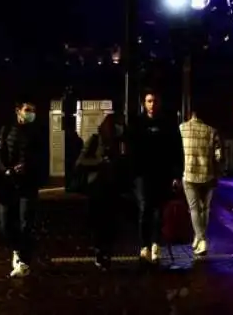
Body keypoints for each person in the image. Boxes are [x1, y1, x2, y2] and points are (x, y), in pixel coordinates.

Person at [128, 90, 184, 263]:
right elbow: (132, 149)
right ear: (144, 103)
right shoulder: (137, 123)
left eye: (154, 101)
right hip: (142, 173)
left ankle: (155, 244)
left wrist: (176, 174)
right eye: (149, 101)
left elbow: (176, 149)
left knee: (159, 210)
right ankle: (145, 245)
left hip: (162, 172)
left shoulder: (167, 123)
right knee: (145, 208)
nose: (152, 105)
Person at [0, 101, 42, 278]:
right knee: (6, 224)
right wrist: (6, 169)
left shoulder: (36, 132)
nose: (31, 114)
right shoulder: (7, 129)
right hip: (8, 183)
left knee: (26, 224)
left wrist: (29, 166)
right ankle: (17, 249)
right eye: (27, 110)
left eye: (33, 110)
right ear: (18, 111)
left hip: (28, 183)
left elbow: (41, 156)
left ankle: (25, 262)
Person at [75, 113, 123, 270]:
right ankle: (99, 252)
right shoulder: (95, 139)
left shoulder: (120, 143)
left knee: (112, 224)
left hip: (113, 188)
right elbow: (80, 161)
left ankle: (107, 253)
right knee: (98, 223)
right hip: (96, 188)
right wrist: (100, 162)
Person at [179, 107, 221, 256]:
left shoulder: (182, 129)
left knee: (194, 208)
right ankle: (198, 236)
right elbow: (218, 155)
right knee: (205, 209)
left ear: (190, 115)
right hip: (207, 175)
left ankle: (201, 239)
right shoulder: (212, 131)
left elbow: (178, 152)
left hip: (189, 174)